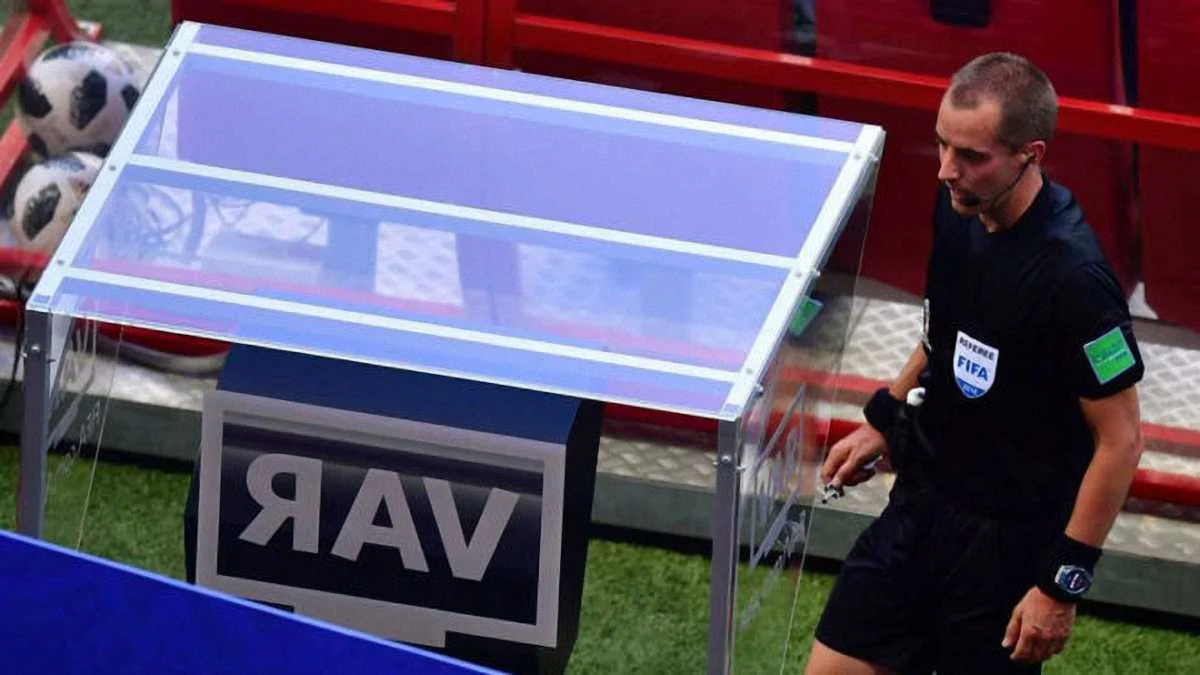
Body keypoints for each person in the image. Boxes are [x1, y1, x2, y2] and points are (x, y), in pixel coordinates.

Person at [806, 52, 1145, 674]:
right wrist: (883, 418)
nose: (946, 169)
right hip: (921, 504)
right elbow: (943, 334)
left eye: (970, 156)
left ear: (1030, 155)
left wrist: (1061, 584)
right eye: (942, 144)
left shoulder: (1076, 279)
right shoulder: (958, 207)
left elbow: (1121, 441)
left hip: (1007, 549)